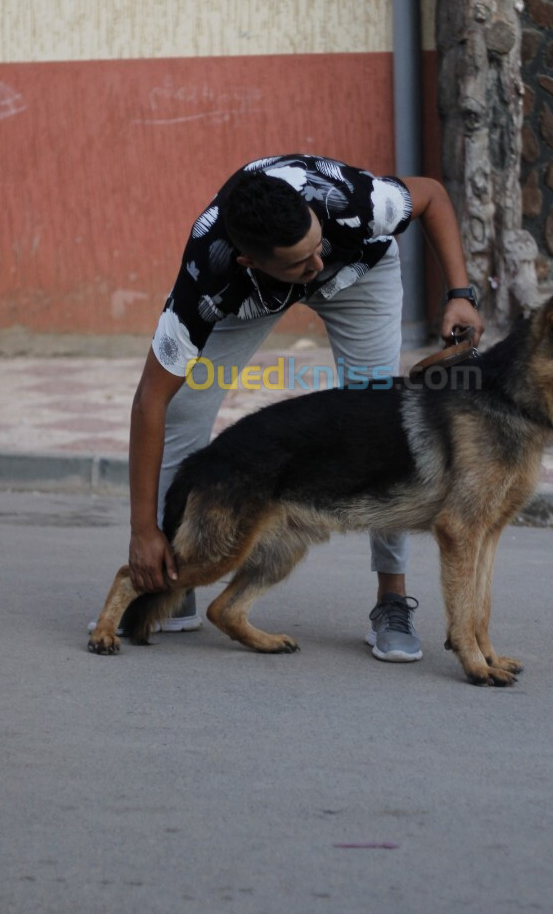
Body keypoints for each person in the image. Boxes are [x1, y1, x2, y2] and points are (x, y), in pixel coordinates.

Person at [126, 154, 483, 661]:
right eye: (300, 261)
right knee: (184, 406)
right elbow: (150, 402)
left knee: (384, 426)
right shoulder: (209, 274)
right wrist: (143, 531)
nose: (315, 266)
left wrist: (460, 294)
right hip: (251, 297)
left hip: (360, 273)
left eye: (316, 247)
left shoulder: (353, 204)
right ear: (252, 261)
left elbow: (431, 195)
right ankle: (170, 579)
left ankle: (392, 599)